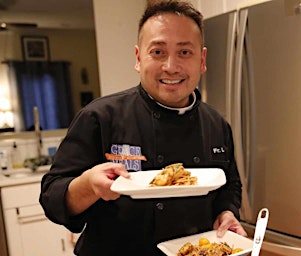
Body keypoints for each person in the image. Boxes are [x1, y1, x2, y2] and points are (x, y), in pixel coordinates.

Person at [39, 1, 247, 255]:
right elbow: (52, 197)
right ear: (138, 58)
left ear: (201, 60)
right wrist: (87, 185)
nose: (171, 66)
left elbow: (229, 185)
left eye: (184, 52)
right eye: (158, 52)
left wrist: (227, 212)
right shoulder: (100, 117)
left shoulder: (217, 124)